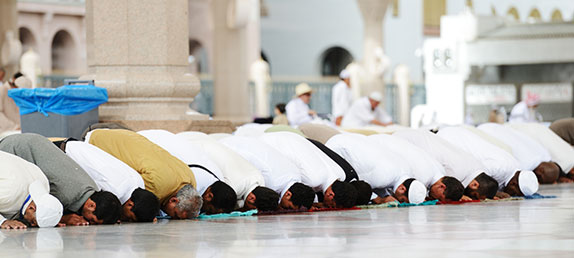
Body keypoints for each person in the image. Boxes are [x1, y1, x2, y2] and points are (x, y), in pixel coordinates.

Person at [0, 134, 122, 225]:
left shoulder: (92, 187)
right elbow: (34, 211)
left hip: (24, 145)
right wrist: (58, 219)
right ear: (91, 205)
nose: (89, 223)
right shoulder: (66, 194)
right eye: (91, 220)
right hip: (12, 150)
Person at [86, 129, 202, 219]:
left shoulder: (190, 177)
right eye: (175, 215)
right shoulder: (158, 187)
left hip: (118, 135)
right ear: (173, 201)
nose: (172, 217)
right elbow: (129, 202)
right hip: (97, 143)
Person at [138, 129, 237, 214]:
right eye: (210, 210)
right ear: (209, 196)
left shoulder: (216, 176)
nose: (207, 213)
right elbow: (169, 202)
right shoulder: (191, 182)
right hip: (145, 142)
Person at [177, 132, 278, 212]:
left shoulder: (259, 179)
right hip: (190, 144)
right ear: (251, 198)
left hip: (202, 138)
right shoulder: (232, 187)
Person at [64, 140, 160, 222]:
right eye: (130, 218)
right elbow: (85, 200)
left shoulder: (139, 183)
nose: (127, 220)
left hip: (79, 145)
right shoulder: (114, 191)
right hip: (65, 153)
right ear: (130, 204)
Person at [259, 131, 357, 208]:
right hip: (271, 143)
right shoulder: (314, 180)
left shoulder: (340, 173)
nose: (328, 206)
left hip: (290, 137)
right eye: (332, 205)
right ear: (330, 195)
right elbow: (293, 188)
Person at [394, 129, 498, 200]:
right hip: (403, 141)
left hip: (411, 135)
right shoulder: (457, 172)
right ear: (474, 184)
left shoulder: (475, 166)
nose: (472, 198)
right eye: (474, 195)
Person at [325, 133, 427, 204]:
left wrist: (385, 196)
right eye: (402, 200)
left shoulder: (405, 169)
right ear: (402, 189)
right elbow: (357, 185)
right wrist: (378, 199)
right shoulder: (384, 177)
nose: (399, 201)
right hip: (337, 148)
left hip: (348, 139)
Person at [219, 135, 315, 210]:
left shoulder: (296, 176)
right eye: (288, 207)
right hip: (227, 147)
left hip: (241, 141)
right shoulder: (273, 183)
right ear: (288, 194)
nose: (286, 210)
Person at [436, 126, 539, 197]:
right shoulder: (500, 167)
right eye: (515, 193)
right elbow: (476, 178)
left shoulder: (513, 168)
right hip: (450, 139)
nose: (512, 195)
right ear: (513, 184)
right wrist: (493, 193)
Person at [368, 134, 464, 202]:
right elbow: (396, 187)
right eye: (439, 198)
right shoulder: (422, 178)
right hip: (375, 146)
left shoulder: (439, 170)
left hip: (385, 140)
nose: (435, 200)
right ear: (442, 187)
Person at [478, 123, 559, 184]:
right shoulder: (525, 165)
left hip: (495, 126)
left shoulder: (544, 154)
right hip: (486, 132)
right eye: (539, 179)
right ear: (541, 170)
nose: (538, 181)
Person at [0, 151, 63, 229]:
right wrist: (2, 221)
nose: (32, 225)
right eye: (33, 221)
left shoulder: (44, 184)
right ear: (32, 208)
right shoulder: (9, 194)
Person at [508, 122, 574, 182]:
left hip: (533, 128)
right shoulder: (565, 164)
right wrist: (558, 179)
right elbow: (547, 171)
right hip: (523, 133)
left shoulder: (570, 156)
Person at [0, 69, 21, 134]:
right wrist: (13, 127)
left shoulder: (16, 93)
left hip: (16, 131)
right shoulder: (2, 90)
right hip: (6, 131)